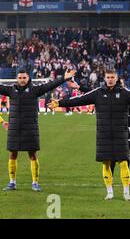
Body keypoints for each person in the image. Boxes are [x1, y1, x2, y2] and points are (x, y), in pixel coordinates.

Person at [0, 68, 76, 192]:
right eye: (20, 78)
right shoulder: (11, 90)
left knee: (32, 154)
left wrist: (63, 78)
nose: (21, 80)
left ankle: (35, 183)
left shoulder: (34, 90)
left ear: (28, 78)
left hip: (30, 128)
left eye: (24, 78)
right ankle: (12, 182)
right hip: (14, 127)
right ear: (17, 78)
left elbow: (49, 85)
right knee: (12, 154)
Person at [49, 69, 130, 200]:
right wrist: (60, 103)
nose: (110, 79)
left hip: (121, 134)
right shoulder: (98, 92)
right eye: (108, 77)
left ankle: (127, 193)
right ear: (105, 78)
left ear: (116, 79)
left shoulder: (125, 93)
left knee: (124, 163)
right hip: (103, 134)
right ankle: (109, 192)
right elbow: (79, 100)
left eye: (112, 77)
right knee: (106, 163)